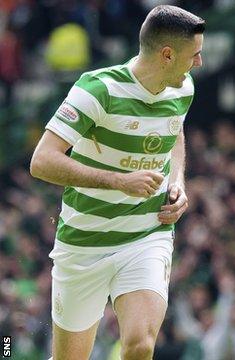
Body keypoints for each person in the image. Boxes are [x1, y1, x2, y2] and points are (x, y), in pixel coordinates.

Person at [29, 5, 204, 359]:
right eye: (194, 55)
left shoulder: (182, 87)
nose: (198, 63)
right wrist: (118, 181)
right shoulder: (97, 89)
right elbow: (42, 161)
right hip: (84, 243)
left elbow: (175, 130)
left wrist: (178, 181)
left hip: (146, 234)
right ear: (167, 54)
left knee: (139, 344)